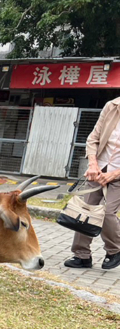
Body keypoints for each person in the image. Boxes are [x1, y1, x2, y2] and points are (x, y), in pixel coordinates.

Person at [65, 97, 120, 270]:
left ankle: (115, 250)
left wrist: (113, 174)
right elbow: (93, 138)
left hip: (118, 174)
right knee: (85, 211)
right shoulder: (112, 106)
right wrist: (93, 165)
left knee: (108, 213)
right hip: (98, 170)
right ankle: (82, 256)